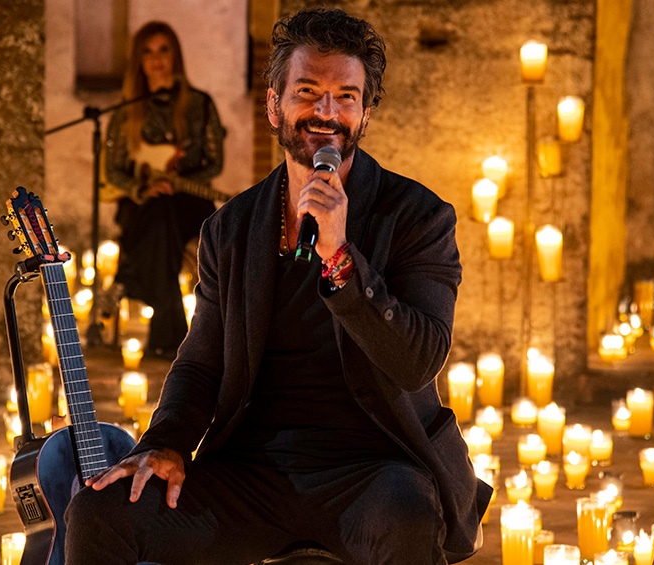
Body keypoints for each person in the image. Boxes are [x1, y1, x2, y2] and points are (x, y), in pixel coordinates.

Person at [66, 8, 492, 564]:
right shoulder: (232, 228)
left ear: (365, 114)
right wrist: (165, 443)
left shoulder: (417, 216)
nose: (327, 112)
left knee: (408, 517)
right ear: (274, 105)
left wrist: (340, 257)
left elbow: (418, 361)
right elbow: (201, 363)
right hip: (252, 473)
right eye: (307, 91)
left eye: (346, 97)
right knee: (98, 512)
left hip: (375, 469)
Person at [104, 21, 226, 358]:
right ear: (139, 61)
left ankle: (144, 300)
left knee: (164, 218)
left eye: (163, 49)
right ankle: (173, 335)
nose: (156, 59)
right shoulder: (126, 111)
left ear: (175, 56)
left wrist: (179, 179)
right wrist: (141, 189)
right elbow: (112, 171)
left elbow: (215, 163)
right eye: (148, 51)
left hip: (189, 201)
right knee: (158, 216)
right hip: (143, 202)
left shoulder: (200, 104)